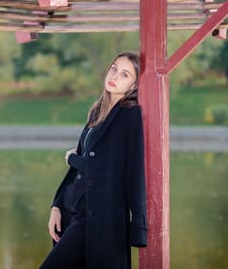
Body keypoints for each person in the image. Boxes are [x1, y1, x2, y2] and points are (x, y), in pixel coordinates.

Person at [39, 51, 148, 269]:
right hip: (77, 213)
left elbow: (130, 172)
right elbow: (81, 170)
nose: (115, 76)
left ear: (133, 86)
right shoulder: (97, 112)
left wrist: (72, 158)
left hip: (104, 220)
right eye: (114, 68)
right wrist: (57, 205)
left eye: (125, 75)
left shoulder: (130, 115)